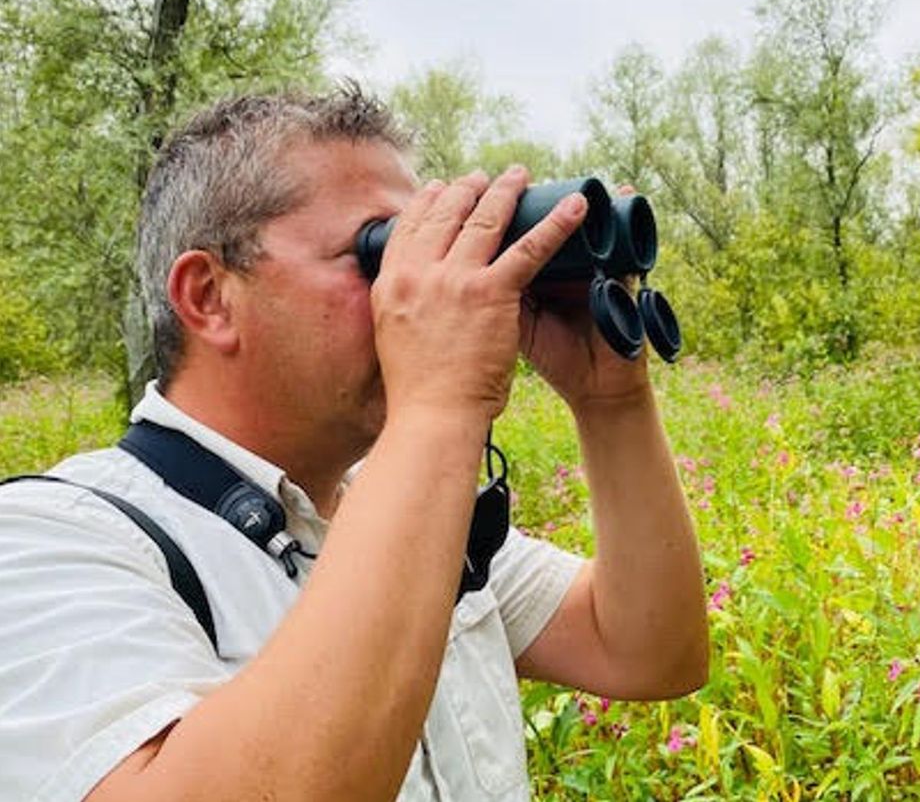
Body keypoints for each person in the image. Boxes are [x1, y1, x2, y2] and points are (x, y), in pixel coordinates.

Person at [0, 86, 708, 801]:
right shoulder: (51, 543)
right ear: (210, 297)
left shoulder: (397, 504)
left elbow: (649, 650)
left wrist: (610, 403)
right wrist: (437, 403)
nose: (412, 288)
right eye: (378, 254)